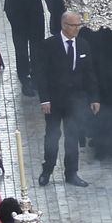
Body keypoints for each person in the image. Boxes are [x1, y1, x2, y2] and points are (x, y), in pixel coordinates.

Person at [33, 10, 100, 187]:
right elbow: (41, 74)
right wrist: (44, 99)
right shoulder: (48, 45)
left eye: (79, 25)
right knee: (52, 136)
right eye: (74, 25)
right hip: (54, 100)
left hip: (75, 101)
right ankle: (47, 170)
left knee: (72, 137)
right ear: (64, 25)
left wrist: (94, 97)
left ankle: (71, 173)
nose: (77, 29)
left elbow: (89, 73)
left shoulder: (83, 45)